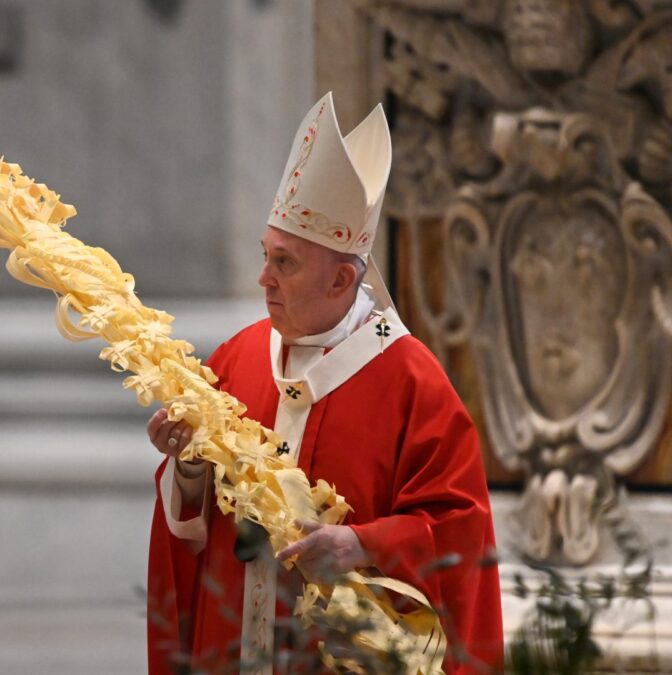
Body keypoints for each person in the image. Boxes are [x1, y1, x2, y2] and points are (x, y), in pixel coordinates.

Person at [145, 92, 502, 674]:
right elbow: (195, 529)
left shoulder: (413, 384)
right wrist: (186, 467)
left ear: (341, 279)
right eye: (266, 256)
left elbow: (459, 538)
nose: (264, 279)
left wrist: (361, 546)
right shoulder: (237, 359)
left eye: (284, 263)